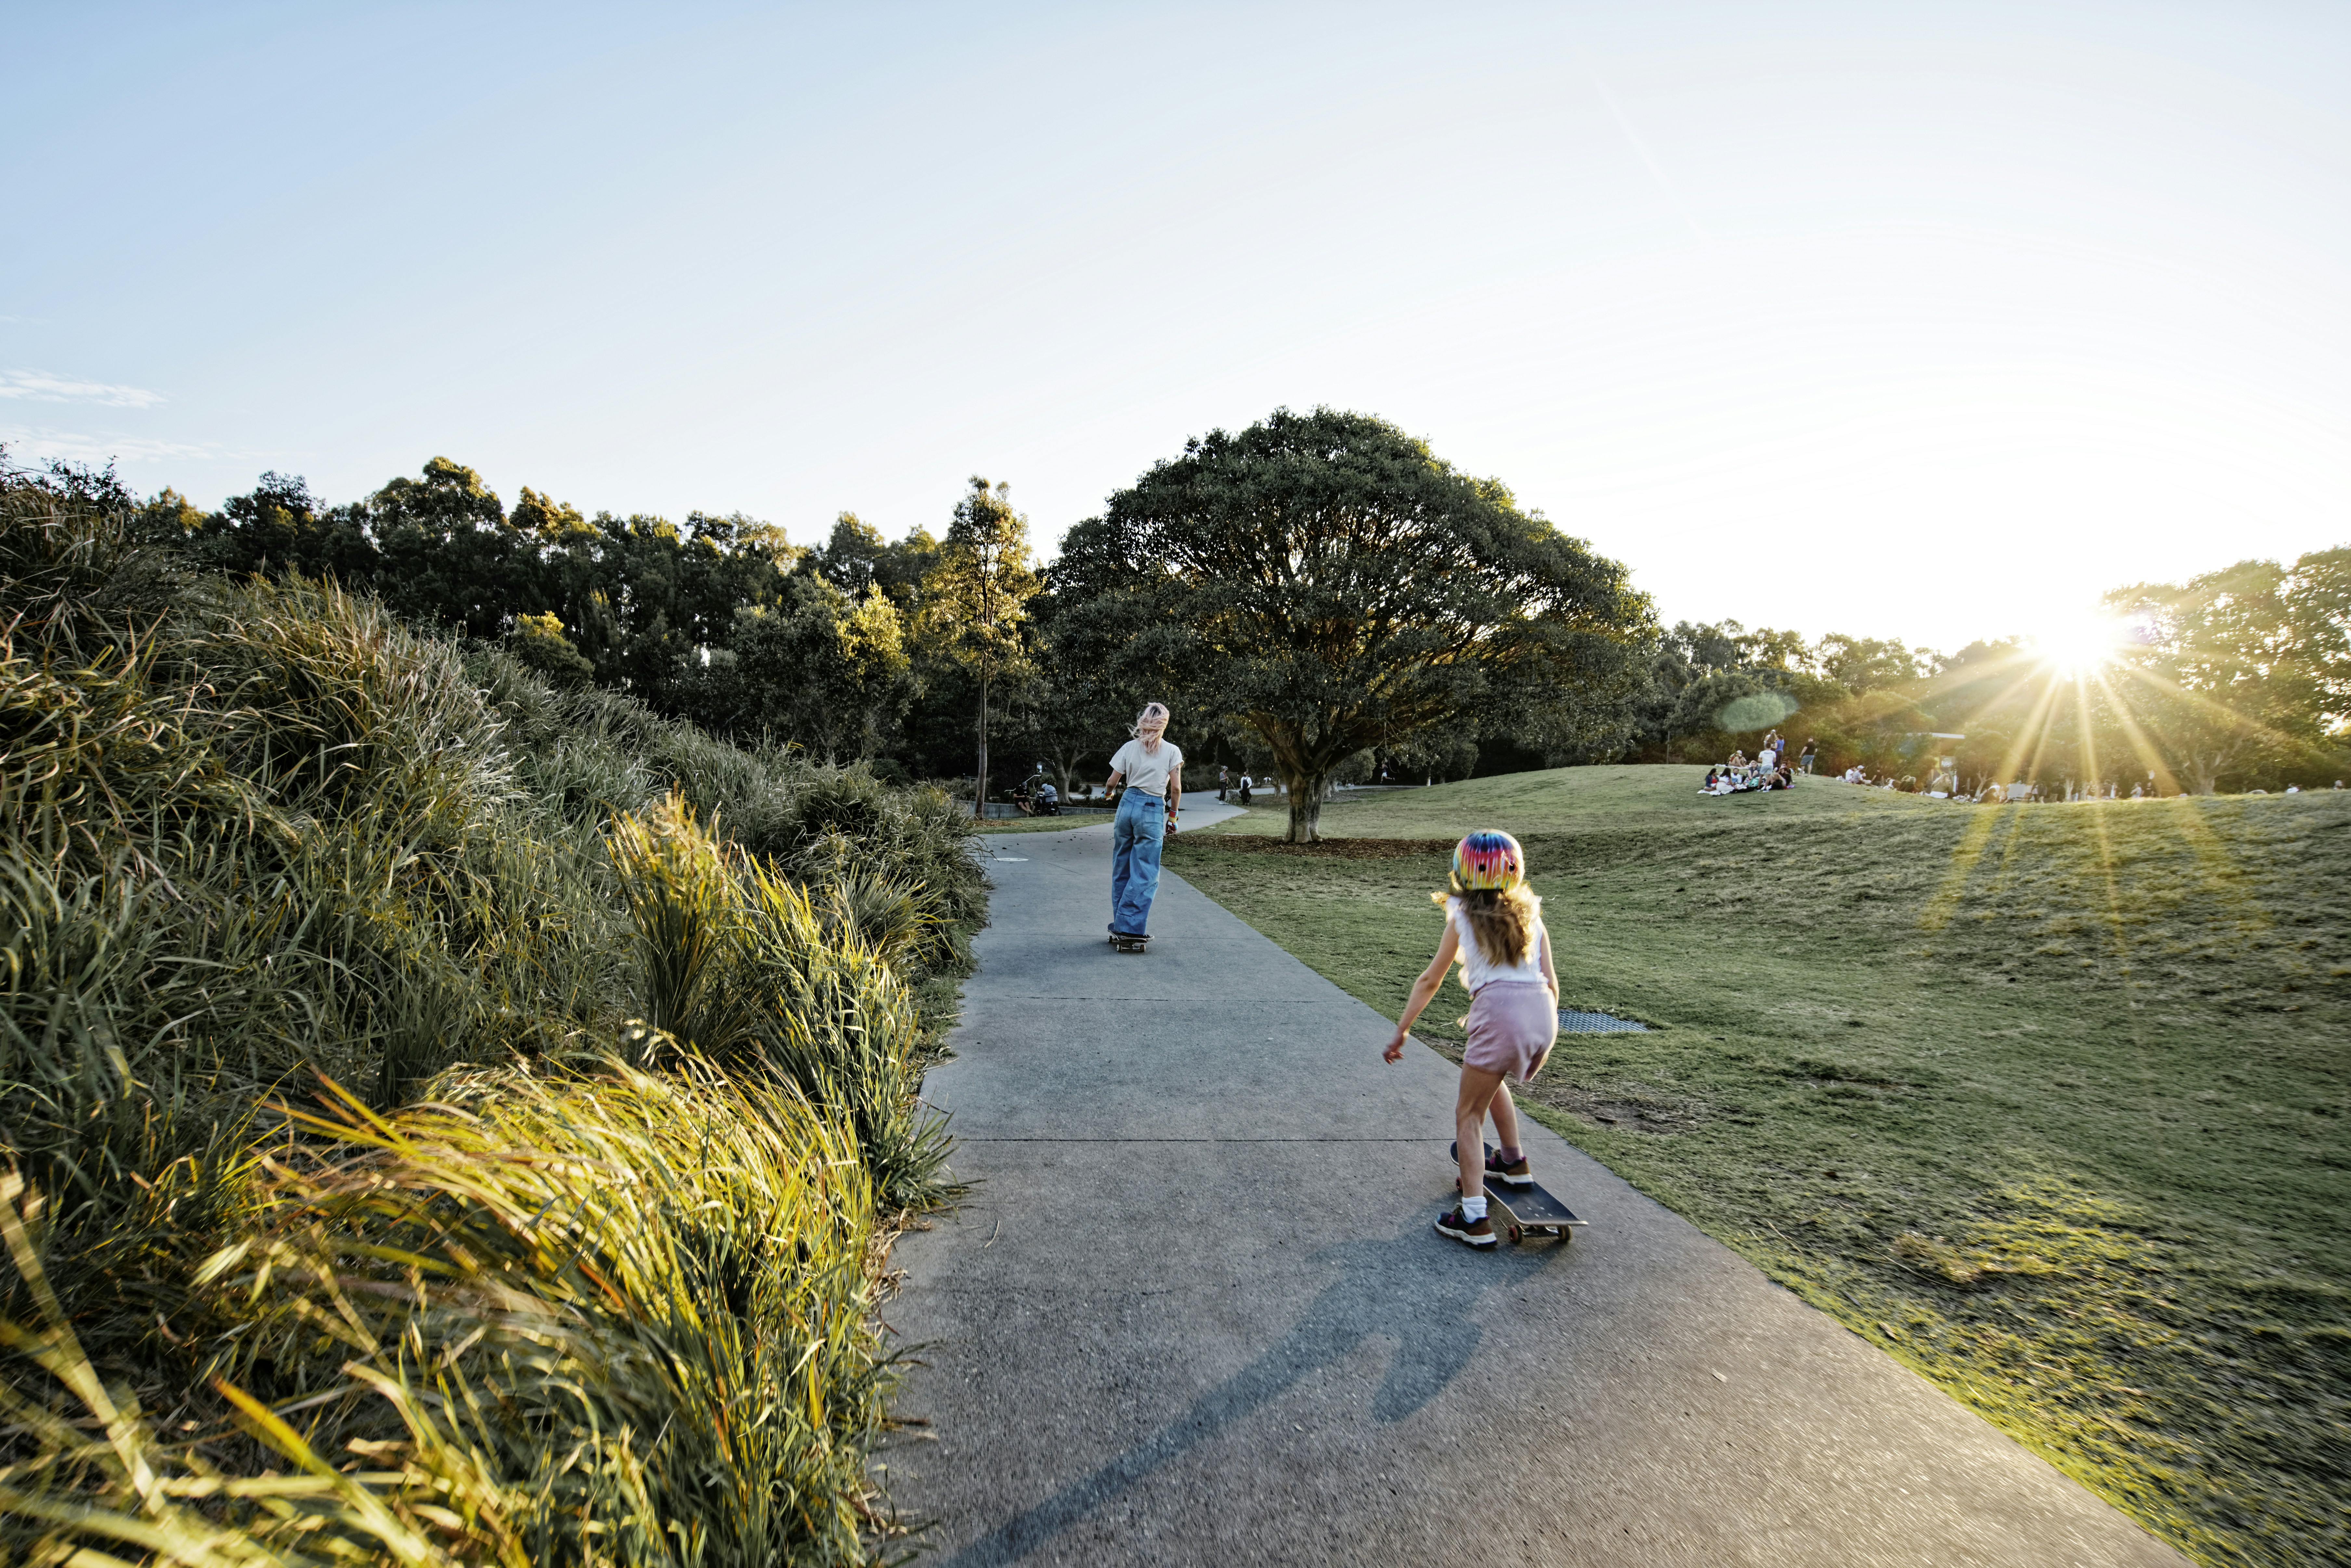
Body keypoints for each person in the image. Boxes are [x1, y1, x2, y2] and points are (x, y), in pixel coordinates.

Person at [1382, 831, 1559, 1248]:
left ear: (1463, 872)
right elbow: (1551, 984)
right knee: (1489, 1080)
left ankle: (1474, 1218)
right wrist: (1543, 1042)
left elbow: (1430, 980)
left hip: (1498, 1014)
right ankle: (1513, 1162)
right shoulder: (1532, 917)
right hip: (1541, 1015)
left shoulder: (1462, 916)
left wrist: (1402, 1029)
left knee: (1468, 1116)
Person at [1104, 703, 1183, 940]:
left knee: (1122, 866)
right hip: (1151, 808)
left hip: (1127, 804)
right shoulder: (1172, 751)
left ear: (1143, 721)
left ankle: (1120, 922)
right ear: (1164, 724)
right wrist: (1173, 817)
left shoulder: (1129, 747)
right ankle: (1131, 927)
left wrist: (1109, 795)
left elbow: (1111, 782)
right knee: (1146, 870)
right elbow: (1176, 788)